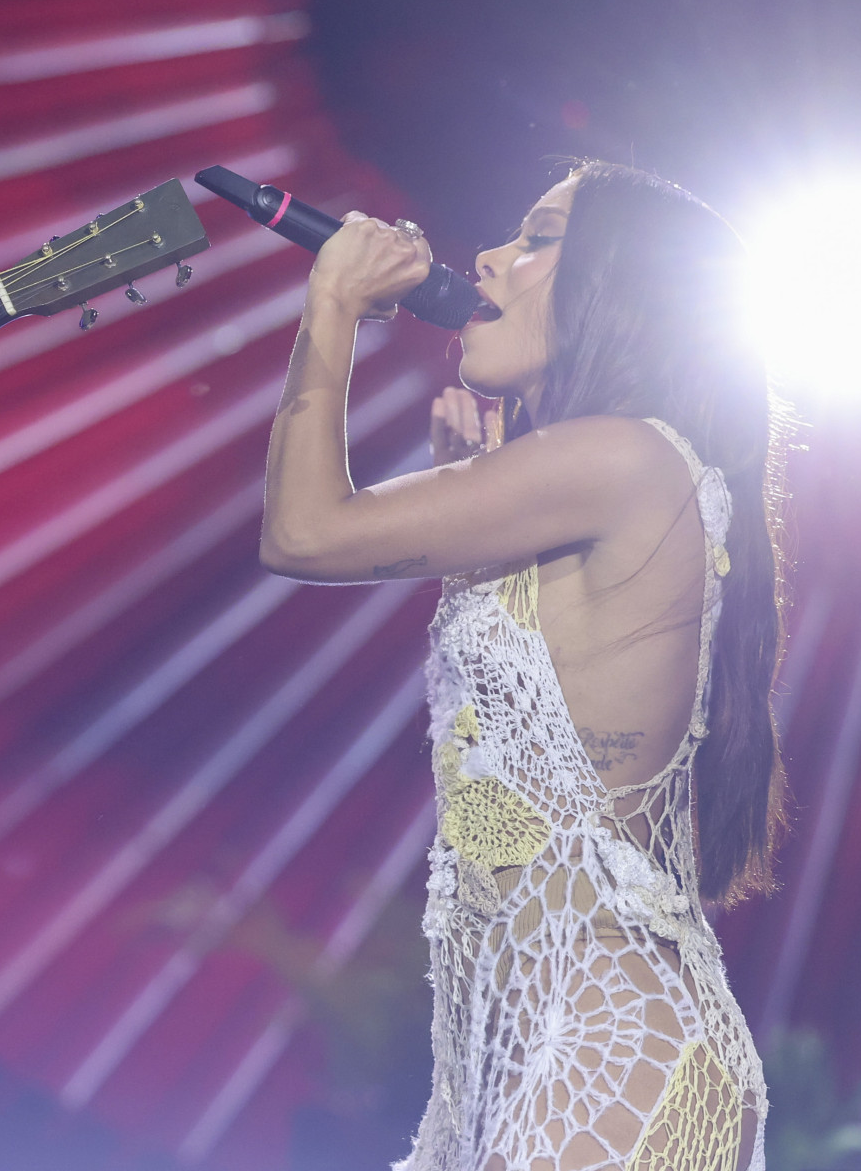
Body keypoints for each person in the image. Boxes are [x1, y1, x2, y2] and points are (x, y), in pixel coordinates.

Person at [259, 163, 781, 1170]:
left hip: (608, 1056)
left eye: (537, 237)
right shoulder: (591, 472)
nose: (488, 256)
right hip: (515, 1060)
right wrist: (492, 485)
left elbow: (305, 531)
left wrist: (332, 302)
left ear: (617, 285)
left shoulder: (627, 455)